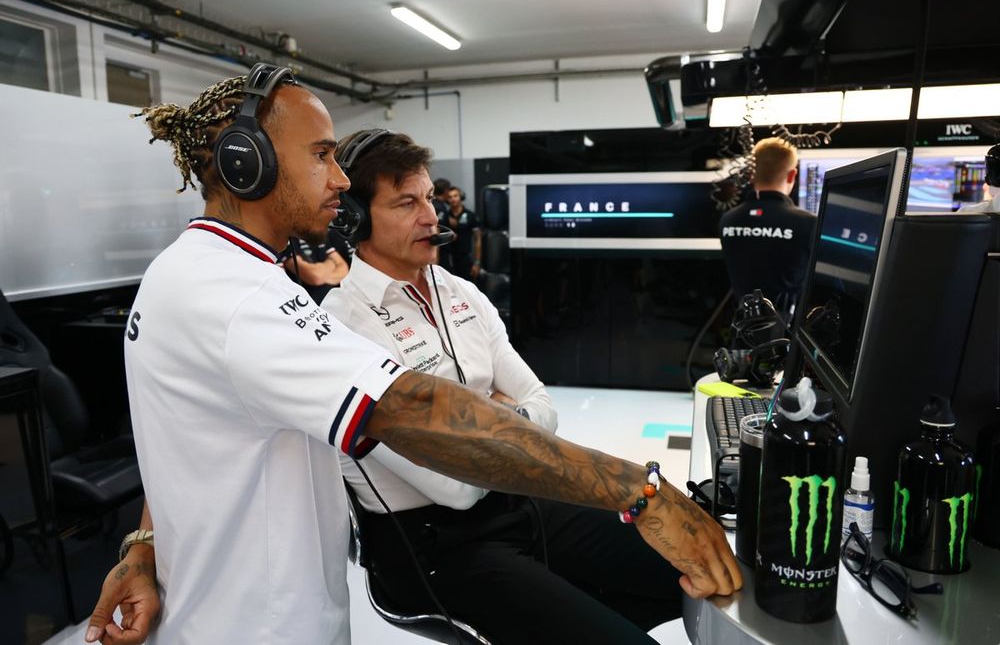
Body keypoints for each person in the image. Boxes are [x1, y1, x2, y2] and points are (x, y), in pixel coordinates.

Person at [84, 64, 740, 645]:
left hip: (258, 610)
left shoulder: (196, 274)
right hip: (257, 624)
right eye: (321, 155)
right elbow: (419, 414)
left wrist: (143, 545)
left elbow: (182, 441)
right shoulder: (237, 296)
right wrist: (640, 491)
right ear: (245, 162)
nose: (339, 178)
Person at [323, 129, 688, 644]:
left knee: (682, 565)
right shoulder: (343, 324)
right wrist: (505, 419)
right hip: (435, 547)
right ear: (355, 218)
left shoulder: (461, 293)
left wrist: (491, 428)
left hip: (517, 498)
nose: (431, 216)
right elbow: (455, 490)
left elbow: (544, 407)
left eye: (428, 197)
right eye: (406, 203)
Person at [719, 137, 816, 312]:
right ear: (792, 175)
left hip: (742, 324)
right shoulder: (808, 223)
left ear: (751, 174)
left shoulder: (728, 219)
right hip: (788, 326)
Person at [281, 223, 352, 304]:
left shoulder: (317, 234)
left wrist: (322, 275)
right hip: (309, 302)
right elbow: (314, 276)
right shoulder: (287, 239)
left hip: (334, 297)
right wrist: (331, 263)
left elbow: (344, 269)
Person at [436, 185, 482, 280]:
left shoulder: (470, 215)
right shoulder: (444, 216)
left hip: (465, 259)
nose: (453, 199)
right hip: (448, 260)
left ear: (461, 197)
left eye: (455, 196)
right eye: (450, 197)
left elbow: (478, 240)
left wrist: (477, 262)